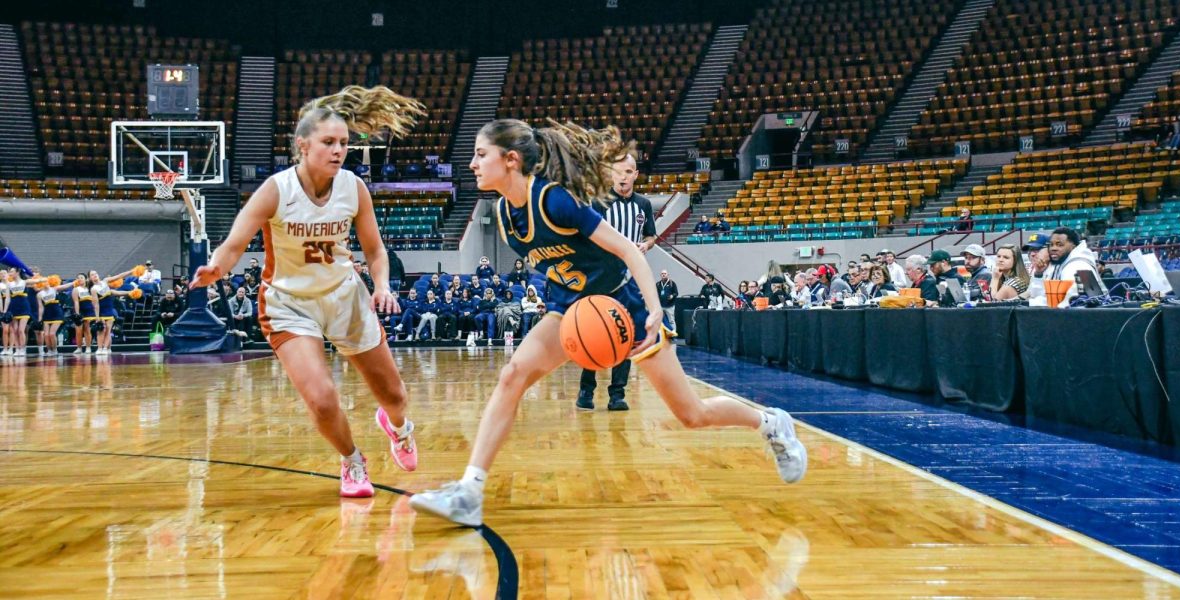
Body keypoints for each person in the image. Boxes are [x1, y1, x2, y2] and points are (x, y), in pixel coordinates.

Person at [408, 118, 806, 527]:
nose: (472, 163)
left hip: (622, 307)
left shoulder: (556, 202)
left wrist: (653, 309)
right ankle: (470, 492)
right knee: (512, 375)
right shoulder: (506, 217)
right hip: (570, 310)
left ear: (510, 160)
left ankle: (771, 423)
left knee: (691, 414)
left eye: (480, 153)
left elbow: (630, 253)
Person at [189, 85, 422, 498]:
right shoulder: (277, 189)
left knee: (395, 396)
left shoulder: (353, 187)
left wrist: (381, 285)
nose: (338, 151)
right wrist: (217, 267)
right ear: (302, 145)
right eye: (329, 142)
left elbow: (374, 250)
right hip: (289, 303)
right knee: (323, 399)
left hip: (345, 298)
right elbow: (234, 243)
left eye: (344, 143)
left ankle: (398, 427)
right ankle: (352, 462)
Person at [577, 151, 657, 411]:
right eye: (617, 171)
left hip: (631, 280)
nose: (622, 177)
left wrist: (645, 246)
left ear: (635, 175)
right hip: (601, 278)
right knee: (593, 333)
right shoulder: (598, 202)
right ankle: (586, 390)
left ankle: (617, 394)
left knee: (628, 334)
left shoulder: (643, 205)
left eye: (627, 171)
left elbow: (651, 236)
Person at [1044, 227, 1103, 307]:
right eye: (1051, 245)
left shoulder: (1077, 265)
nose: (1053, 248)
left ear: (1073, 246)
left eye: (1059, 245)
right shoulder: (1062, 261)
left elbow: (1065, 304)